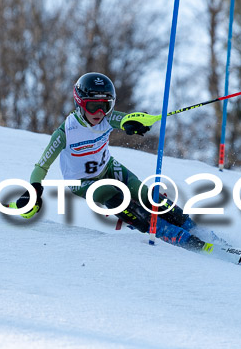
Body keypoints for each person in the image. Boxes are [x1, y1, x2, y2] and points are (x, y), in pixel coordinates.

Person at [13, 72, 209, 251]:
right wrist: (34, 190)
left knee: (144, 194)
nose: (99, 112)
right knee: (113, 195)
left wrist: (135, 124)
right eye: (92, 106)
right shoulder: (65, 132)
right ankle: (171, 234)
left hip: (108, 168)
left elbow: (126, 119)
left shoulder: (107, 118)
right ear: (80, 103)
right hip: (83, 183)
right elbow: (41, 166)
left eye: (105, 105)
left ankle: (192, 227)